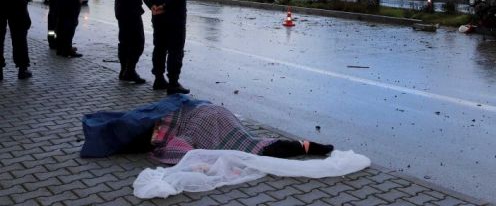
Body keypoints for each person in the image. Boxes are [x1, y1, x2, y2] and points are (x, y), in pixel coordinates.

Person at [80, 95, 334, 163]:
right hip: (218, 116)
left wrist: (198, 164)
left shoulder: (176, 131)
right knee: (256, 145)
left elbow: (182, 149)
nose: (156, 139)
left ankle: (305, 146)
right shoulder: (173, 126)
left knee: (255, 147)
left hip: (215, 119)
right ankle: (305, 146)